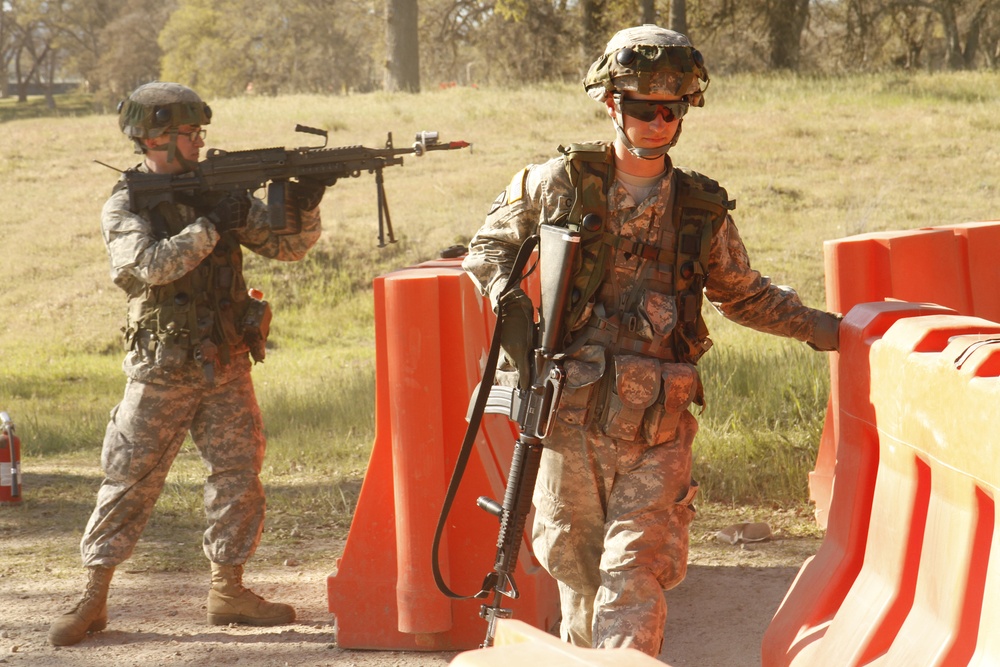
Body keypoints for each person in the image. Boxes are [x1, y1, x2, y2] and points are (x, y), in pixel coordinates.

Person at [462, 25, 841, 657]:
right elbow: (487, 248)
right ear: (612, 103)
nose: (660, 120)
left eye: (674, 108)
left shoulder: (699, 209)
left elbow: (740, 292)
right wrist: (510, 301)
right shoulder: (558, 183)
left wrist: (825, 329)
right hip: (569, 422)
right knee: (580, 583)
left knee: (632, 575)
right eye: (644, 106)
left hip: (657, 430)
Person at [49, 82, 330, 646]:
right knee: (129, 481)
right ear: (153, 137)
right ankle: (94, 597)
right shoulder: (126, 203)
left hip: (226, 360)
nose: (200, 141)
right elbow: (150, 267)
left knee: (238, 476)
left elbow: (288, 246)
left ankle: (228, 589)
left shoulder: (214, 191)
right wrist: (210, 224)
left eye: (202, 132)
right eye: (189, 132)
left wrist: (307, 200)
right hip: (161, 366)